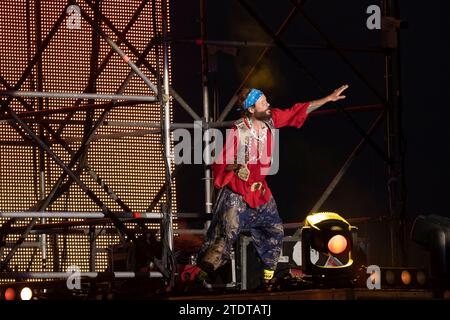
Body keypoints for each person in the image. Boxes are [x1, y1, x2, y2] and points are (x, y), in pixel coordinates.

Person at [194, 85, 349, 287]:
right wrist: (237, 165)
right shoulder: (239, 132)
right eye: (263, 103)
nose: (268, 105)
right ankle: (201, 276)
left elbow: (297, 111)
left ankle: (268, 278)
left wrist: (327, 98)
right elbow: (221, 162)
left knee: (274, 230)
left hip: (259, 191)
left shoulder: (270, 120)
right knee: (225, 238)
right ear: (251, 109)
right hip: (237, 193)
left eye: (267, 101)